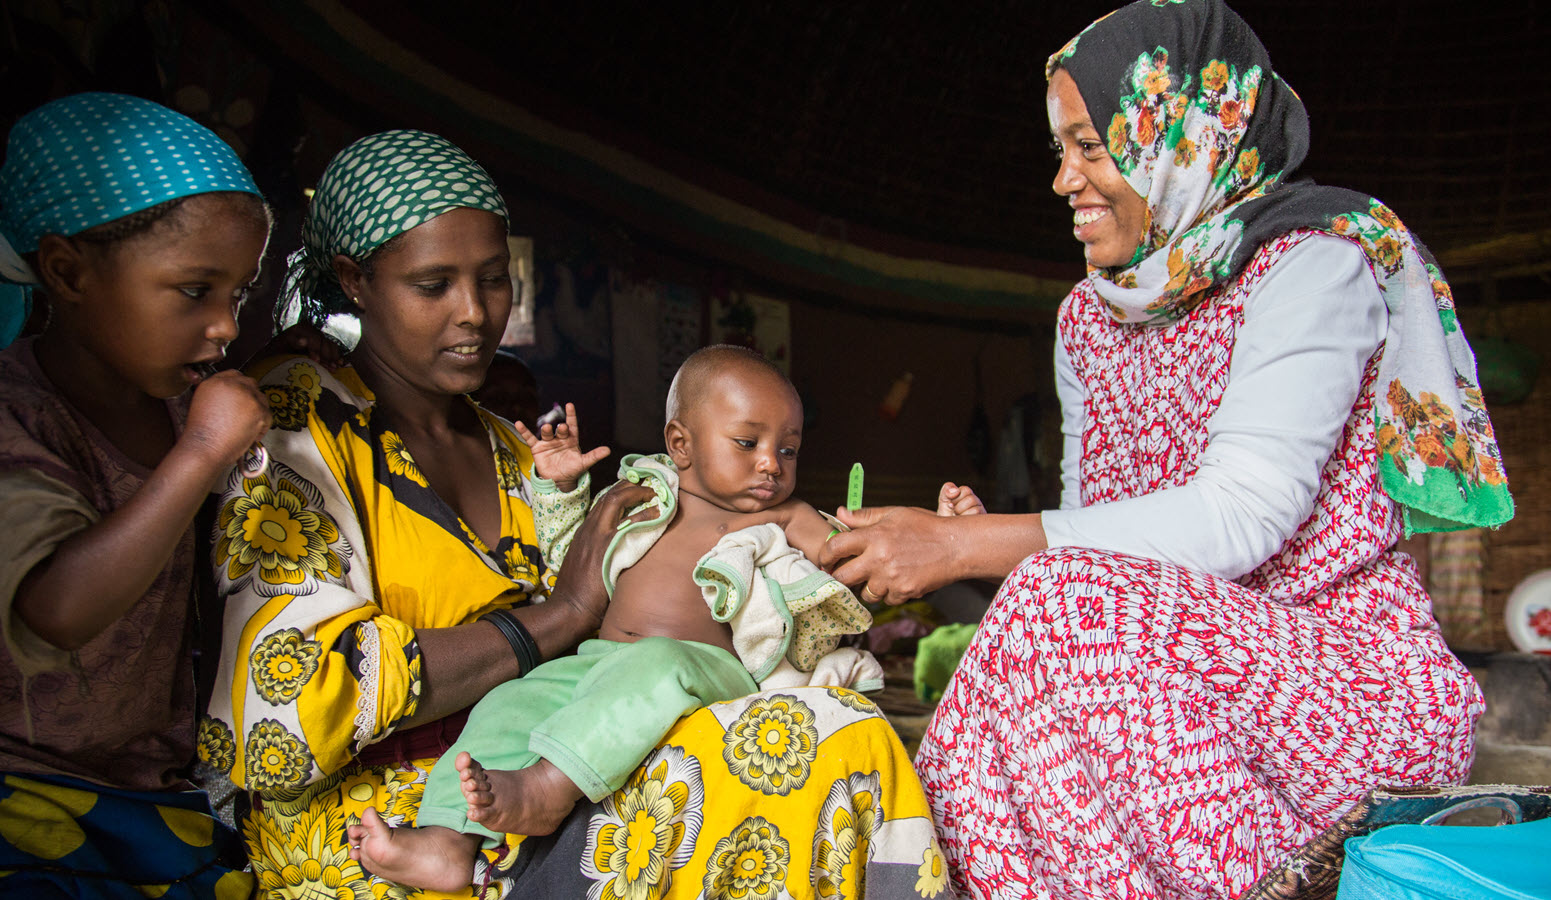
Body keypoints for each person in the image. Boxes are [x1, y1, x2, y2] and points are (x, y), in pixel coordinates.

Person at [820, 2, 1512, 897]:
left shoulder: (1311, 264)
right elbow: (1099, 534)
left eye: (1093, 146)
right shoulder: (1090, 314)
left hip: (1344, 691)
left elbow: (1242, 514)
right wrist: (998, 544)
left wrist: (966, 546)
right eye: (1058, 150)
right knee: (1036, 626)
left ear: (1182, 136)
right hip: (1166, 683)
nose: (1064, 179)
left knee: (1057, 600)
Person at [206, 131, 944, 900]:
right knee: (800, 764)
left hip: (565, 764)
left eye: (495, 279)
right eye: (434, 285)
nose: (474, 313)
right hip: (379, 821)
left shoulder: (510, 449)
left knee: (837, 738)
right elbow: (284, 715)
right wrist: (551, 622)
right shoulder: (295, 424)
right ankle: (465, 846)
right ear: (356, 281)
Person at [348, 345, 881, 891]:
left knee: (654, 663)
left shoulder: (785, 515)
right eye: (748, 443)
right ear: (681, 444)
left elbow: (850, 560)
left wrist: (878, 543)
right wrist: (562, 488)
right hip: (599, 661)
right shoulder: (642, 498)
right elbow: (567, 557)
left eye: (788, 451)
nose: (771, 462)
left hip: (699, 670)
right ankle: (446, 839)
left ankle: (549, 788)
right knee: (508, 702)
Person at [0, 92, 271, 898]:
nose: (226, 327)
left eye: (240, 295)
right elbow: (56, 607)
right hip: (26, 788)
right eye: (195, 291)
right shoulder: (17, 414)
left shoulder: (187, 406)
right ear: (67, 271)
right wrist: (200, 454)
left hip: (157, 791)